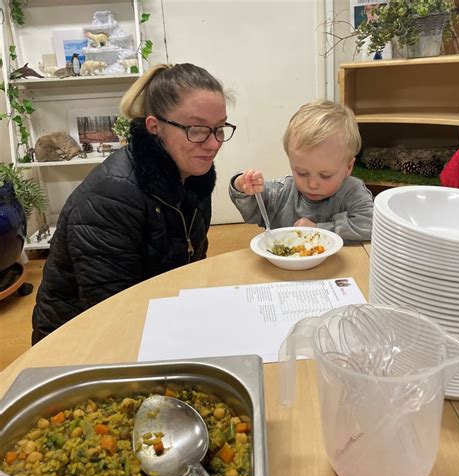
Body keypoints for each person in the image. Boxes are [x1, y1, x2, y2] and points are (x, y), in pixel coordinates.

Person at [32, 63, 236, 344]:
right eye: (197, 129)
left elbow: (187, 261)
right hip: (77, 343)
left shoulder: (193, 176)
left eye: (219, 128)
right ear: (155, 127)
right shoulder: (113, 195)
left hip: (152, 316)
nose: (213, 144)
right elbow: (112, 313)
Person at [229, 99, 373, 241]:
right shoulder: (282, 192)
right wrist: (242, 185)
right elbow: (253, 207)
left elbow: (371, 225)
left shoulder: (353, 192)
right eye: (302, 173)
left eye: (325, 175)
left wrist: (319, 230)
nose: (312, 184)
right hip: (284, 264)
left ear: (348, 167)